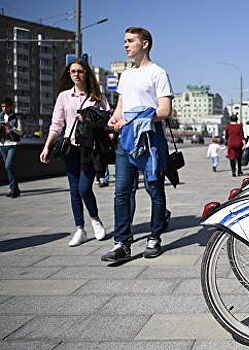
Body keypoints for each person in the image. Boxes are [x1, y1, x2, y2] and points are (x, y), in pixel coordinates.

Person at [101, 27, 174, 262]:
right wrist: (114, 117)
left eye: (130, 41)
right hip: (126, 142)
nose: (125, 45)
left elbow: (164, 110)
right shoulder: (126, 75)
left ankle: (154, 237)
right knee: (122, 191)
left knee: (154, 189)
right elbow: (121, 106)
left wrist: (134, 118)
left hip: (151, 140)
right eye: (124, 41)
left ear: (145, 44)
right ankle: (122, 243)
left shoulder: (158, 73)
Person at [39, 58, 109, 246]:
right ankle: (80, 229)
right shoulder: (64, 96)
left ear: (86, 73)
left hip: (90, 149)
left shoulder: (97, 96)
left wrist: (87, 118)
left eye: (80, 71)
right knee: (74, 191)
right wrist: (47, 147)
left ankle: (95, 220)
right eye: (72, 72)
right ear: (69, 74)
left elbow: (107, 120)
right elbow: (56, 124)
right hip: (71, 148)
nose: (76, 74)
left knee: (84, 187)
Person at [0, 98, 23, 198]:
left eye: (6, 106)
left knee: (8, 165)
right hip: (2, 144)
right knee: (9, 167)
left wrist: (11, 128)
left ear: (10, 107)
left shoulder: (16, 118)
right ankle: (15, 189)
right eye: (2, 106)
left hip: (13, 144)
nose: (4, 108)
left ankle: (14, 189)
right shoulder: (0, 117)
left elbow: (20, 132)